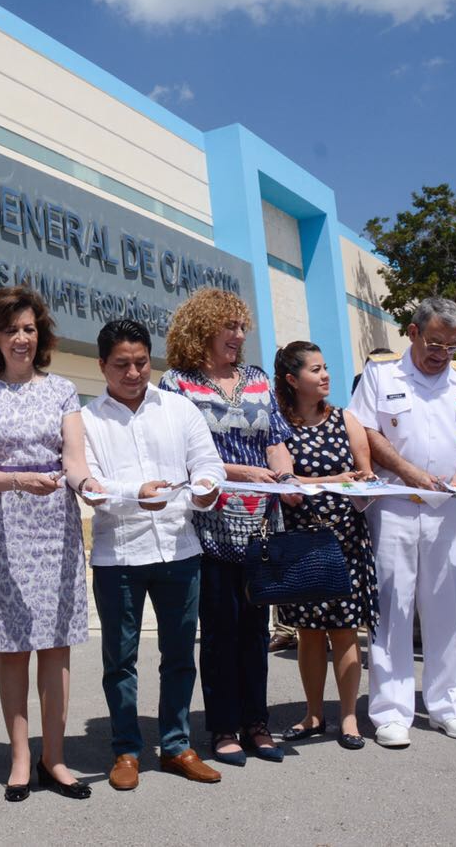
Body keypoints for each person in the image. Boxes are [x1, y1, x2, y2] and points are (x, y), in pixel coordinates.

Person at [348, 296, 456, 748]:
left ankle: (449, 706)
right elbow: (366, 430)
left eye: (451, 346)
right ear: (412, 333)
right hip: (395, 503)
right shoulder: (381, 374)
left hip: (449, 508)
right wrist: (412, 473)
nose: (441, 353)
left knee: (450, 607)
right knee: (392, 606)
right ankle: (391, 711)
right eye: (434, 342)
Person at [81, 319, 225, 791]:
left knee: (180, 654)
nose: (133, 372)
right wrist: (134, 494)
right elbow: (92, 486)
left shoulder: (179, 410)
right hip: (118, 556)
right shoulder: (87, 419)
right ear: (102, 365)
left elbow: (207, 465)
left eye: (141, 362)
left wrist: (206, 489)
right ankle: (125, 749)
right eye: (121, 364)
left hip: (179, 548)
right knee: (120, 659)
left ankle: (178, 744)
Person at [158, 288, 299, 767]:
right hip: (209, 521)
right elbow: (177, 452)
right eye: (230, 326)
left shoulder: (258, 379)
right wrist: (241, 473)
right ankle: (221, 727)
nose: (239, 336)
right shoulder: (177, 384)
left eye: (243, 327)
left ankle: (257, 723)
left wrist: (286, 477)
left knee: (256, 630)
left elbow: (276, 440)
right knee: (220, 631)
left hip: (260, 521)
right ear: (203, 329)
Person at [0, 288, 91, 802]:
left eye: (30, 329)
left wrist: (90, 489)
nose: (22, 338)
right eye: (12, 329)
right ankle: (20, 757)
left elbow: (75, 460)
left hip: (56, 523)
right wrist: (19, 482)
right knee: (14, 648)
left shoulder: (62, 390)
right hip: (4, 524)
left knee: (56, 646)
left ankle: (53, 757)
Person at [271, 341, 379, 751]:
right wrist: (337, 479)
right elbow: (288, 482)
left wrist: (339, 481)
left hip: (345, 540)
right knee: (308, 633)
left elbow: (365, 475)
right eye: (315, 370)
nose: (325, 375)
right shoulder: (280, 425)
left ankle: (349, 717)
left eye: (326, 366)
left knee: (345, 631)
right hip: (301, 541)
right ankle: (313, 713)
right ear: (292, 379)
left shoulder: (345, 420)